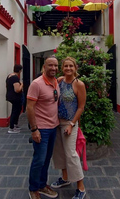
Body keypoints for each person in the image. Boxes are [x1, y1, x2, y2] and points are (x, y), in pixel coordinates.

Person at [51, 57, 87, 199]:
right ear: (62, 67)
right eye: (65, 66)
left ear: (75, 67)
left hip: (69, 123)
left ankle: (81, 187)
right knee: (59, 152)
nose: (68, 68)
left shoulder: (79, 84)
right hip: (56, 122)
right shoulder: (59, 81)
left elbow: (81, 107)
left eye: (71, 66)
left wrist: (72, 124)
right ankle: (65, 178)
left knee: (71, 154)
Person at [26, 56, 60, 199]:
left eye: (56, 66)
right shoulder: (36, 84)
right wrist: (34, 129)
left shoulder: (56, 82)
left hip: (53, 127)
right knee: (39, 159)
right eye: (50, 65)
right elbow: (29, 107)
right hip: (41, 129)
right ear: (44, 67)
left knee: (46, 159)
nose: (53, 68)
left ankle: (42, 185)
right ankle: (33, 189)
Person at [6, 64, 23, 134]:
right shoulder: (15, 78)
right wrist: (22, 84)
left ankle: (15, 125)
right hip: (15, 97)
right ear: (19, 70)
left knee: (16, 110)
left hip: (10, 96)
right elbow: (17, 90)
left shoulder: (9, 76)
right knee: (15, 111)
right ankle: (12, 127)